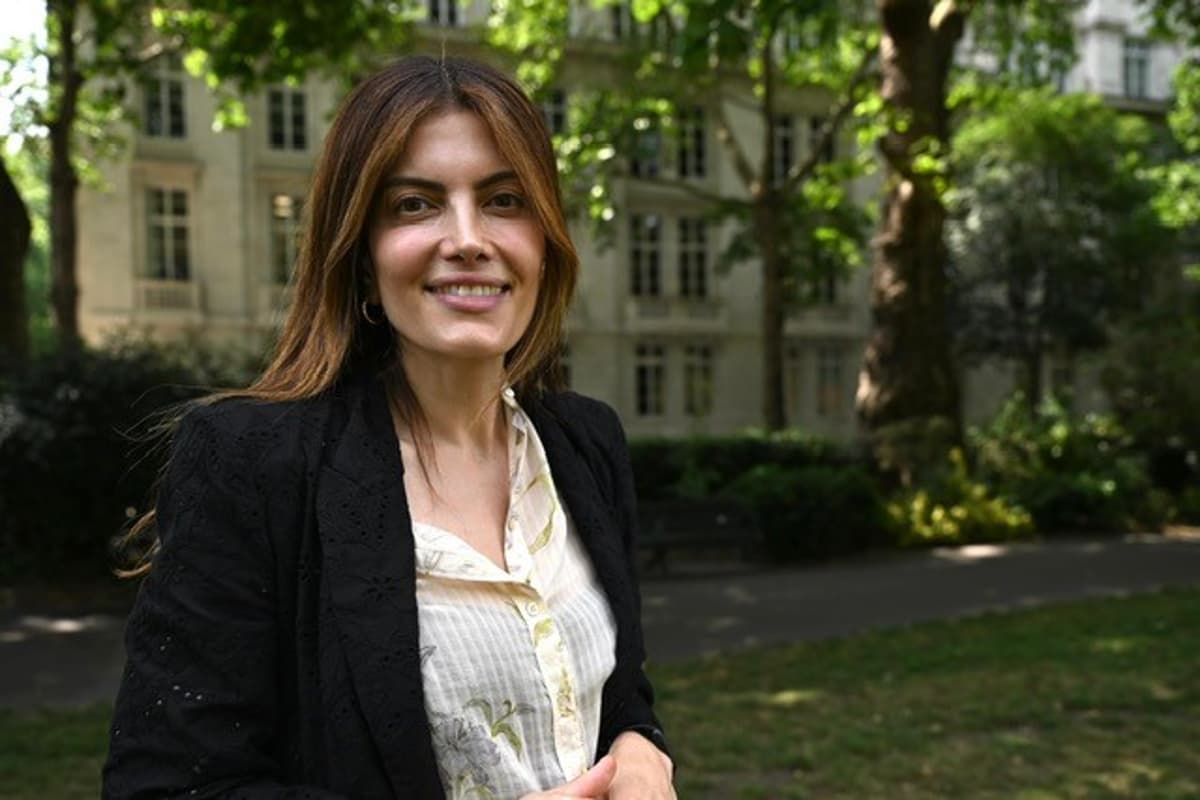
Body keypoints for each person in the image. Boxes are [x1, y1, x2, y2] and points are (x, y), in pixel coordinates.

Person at [103, 55, 675, 800]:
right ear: (363, 255)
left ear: (545, 239)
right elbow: (167, 788)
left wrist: (642, 746)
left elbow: (616, 688)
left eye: (505, 200)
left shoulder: (584, 443)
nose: (467, 238)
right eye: (415, 204)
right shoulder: (251, 463)